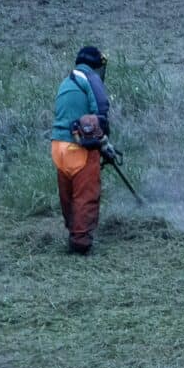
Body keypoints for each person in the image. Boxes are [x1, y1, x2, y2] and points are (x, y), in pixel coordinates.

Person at [49, 46, 112, 254]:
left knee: (69, 195)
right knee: (85, 195)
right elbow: (101, 110)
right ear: (96, 65)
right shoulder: (90, 78)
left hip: (58, 147)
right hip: (78, 149)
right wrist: (105, 143)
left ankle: (73, 231)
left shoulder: (67, 81)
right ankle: (81, 241)